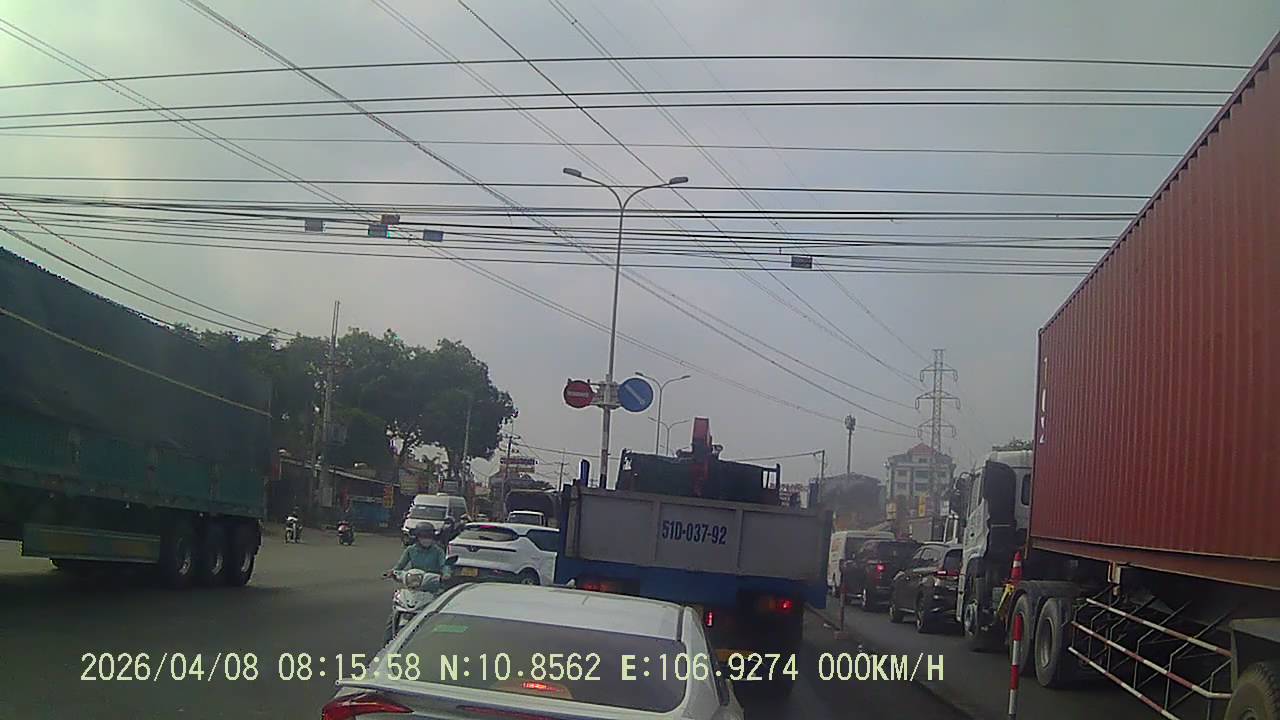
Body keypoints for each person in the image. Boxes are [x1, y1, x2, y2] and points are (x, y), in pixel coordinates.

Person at [383, 525, 445, 643]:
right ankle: (386, 644)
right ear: (418, 537)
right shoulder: (410, 550)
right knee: (394, 613)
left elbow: (444, 565)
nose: (426, 539)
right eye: (424, 536)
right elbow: (400, 565)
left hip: (432, 588)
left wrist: (446, 574)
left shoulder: (438, 551)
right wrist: (392, 572)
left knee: (437, 615)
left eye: (429, 536)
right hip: (413, 586)